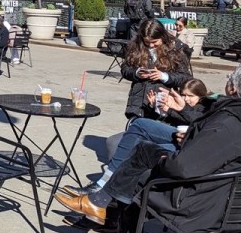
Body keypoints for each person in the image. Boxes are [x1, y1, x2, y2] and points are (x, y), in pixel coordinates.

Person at [57, 66, 241, 233]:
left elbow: (183, 167)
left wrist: (165, 159)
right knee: (147, 152)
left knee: (143, 168)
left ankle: (122, 232)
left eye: (229, 80)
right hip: (237, 208)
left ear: (233, 89)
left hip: (198, 207)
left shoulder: (228, 123)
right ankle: (102, 207)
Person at [59, 78, 209, 198]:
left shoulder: (205, 110)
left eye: (191, 96)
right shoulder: (180, 105)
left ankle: (102, 191)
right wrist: (159, 110)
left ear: (202, 96)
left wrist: (177, 109)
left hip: (185, 147)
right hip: (165, 137)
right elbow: (160, 124)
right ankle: (103, 188)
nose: (186, 99)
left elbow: (197, 123)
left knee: (136, 150)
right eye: (183, 95)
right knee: (116, 141)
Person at [119, 19, 192, 119]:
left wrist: (164, 76)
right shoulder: (136, 46)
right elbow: (125, 69)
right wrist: (136, 73)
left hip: (164, 103)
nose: (150, 45)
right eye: (147, 42)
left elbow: (186, 77)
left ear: (162, 37)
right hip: (138, 104)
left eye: (154, 42)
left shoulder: (175, 49)